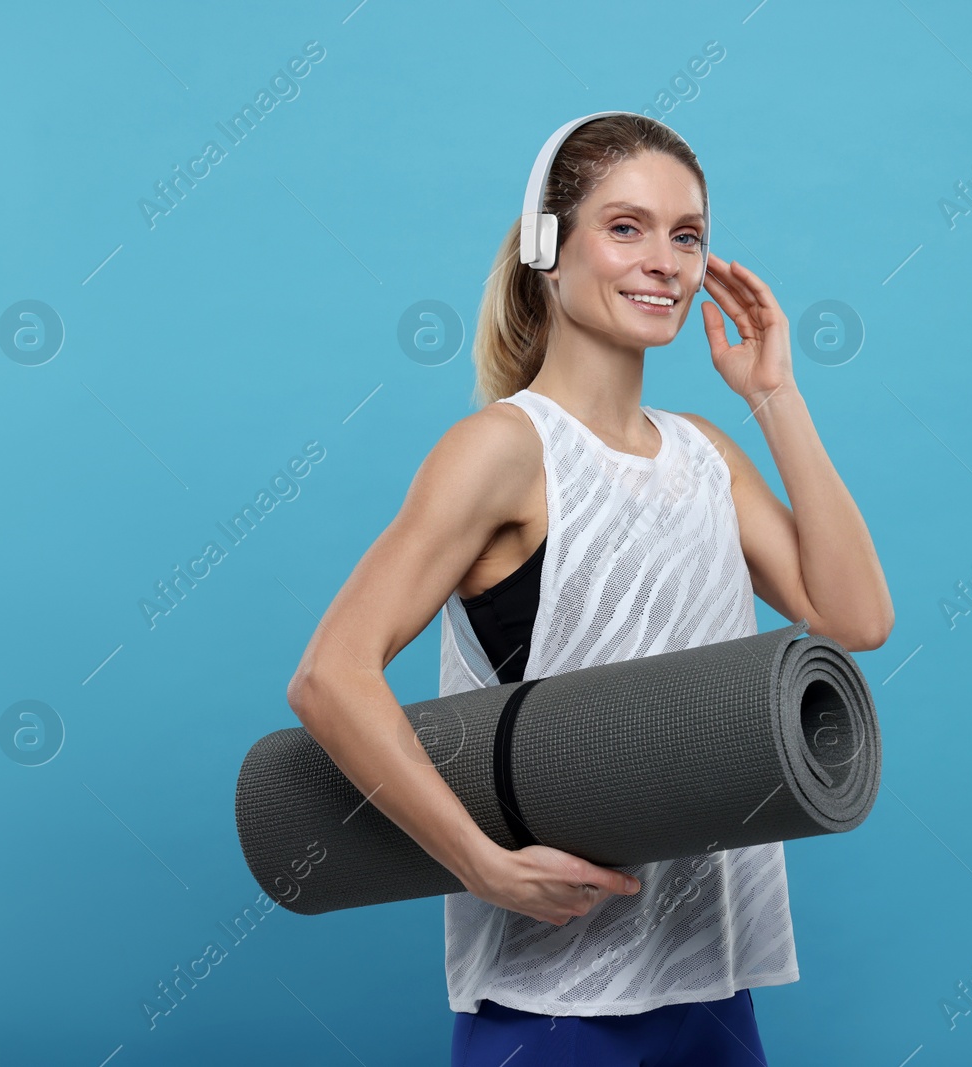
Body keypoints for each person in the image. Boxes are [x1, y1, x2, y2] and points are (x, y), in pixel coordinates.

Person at [285, 112, 893, 1066]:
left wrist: (775, 394)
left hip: (710, 985)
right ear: (546, 250)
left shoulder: (707, 454)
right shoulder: (502, 450)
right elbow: (330, 675)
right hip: (552, 1002)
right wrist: (478, 861)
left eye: (686, 235)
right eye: (626, 227)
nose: (665, 261)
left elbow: (855, 619)